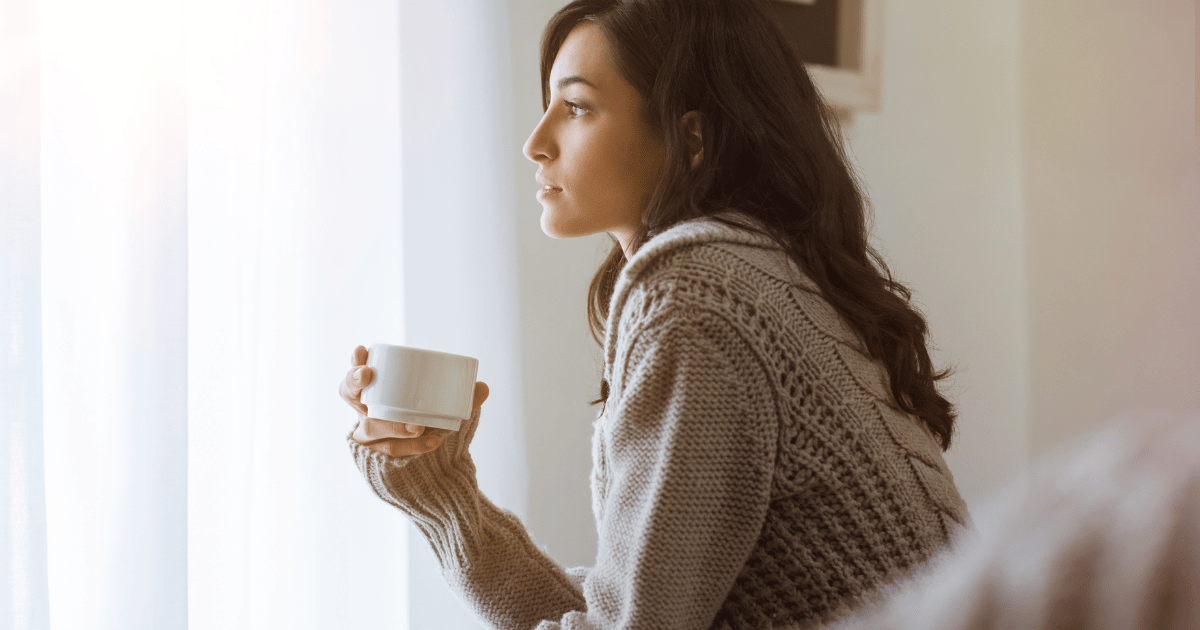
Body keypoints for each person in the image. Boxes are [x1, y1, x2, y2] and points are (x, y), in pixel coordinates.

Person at [339, 0, 970, 628]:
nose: (536, 143)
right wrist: (440, 491)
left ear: (689, 137)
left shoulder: (697, 295)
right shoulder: (760, 274)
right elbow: (620, 608)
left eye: (577, 106)